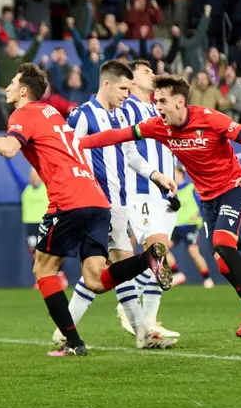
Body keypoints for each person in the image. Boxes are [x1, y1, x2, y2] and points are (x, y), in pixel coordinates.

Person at [0, 63, 172, 357]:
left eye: (11, 82)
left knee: (43, 268)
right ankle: (149, 258)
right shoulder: (53, 113)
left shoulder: (24, 113)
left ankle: (73, 343)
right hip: (98, 200)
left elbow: (9, 149)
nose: (7, 87)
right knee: (96, 280)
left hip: (68, 200)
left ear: (24, 91)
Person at [77, 74, 241, 352]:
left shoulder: (210, 118)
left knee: (222, 244)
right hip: (207, 200)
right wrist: (77, 144)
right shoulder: (159, 127)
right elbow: (117, 136)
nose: (157, 107)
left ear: (180, 102)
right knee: (224, 265)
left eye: (163, 101)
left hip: (233, 188)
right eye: (156, 101)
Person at [58, 60, 178, 350]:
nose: (127, 94)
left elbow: (131, 154)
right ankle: (142, 333)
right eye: (123, 88)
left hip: (121, 202)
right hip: (96, 202)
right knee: (114, 267)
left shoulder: (122, 117)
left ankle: (65, 332)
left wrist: (157, 175)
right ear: (107, 84)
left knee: (113, 269)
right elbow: (66, 154)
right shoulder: (83, 115)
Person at [113, 59, 181, 341]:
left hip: (166, 192)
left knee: (160, 257)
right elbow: (129, 151)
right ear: (131, 80)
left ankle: (150, 322)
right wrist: (155, 175)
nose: (152, 74)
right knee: (155, 252)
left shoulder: (159, 109)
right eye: (146, 71)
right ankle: (126, 307)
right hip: (141, 189)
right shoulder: (126, 107)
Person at [5, 157, 68, 290]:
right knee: (35, 254)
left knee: (51, 252)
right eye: (31, 175)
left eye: (36, 175)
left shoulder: (46, 187)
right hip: (30, 225)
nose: (33, 177)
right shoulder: (25, 188)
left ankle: (60, 275)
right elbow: (14, 173)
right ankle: (40, 279)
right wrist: (7, 160)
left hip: (46, 223)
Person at [167, 165, 214, 288]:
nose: (173, 176)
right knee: (161, 249)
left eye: (175, 173)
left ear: (182, 174)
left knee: (193, 252)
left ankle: (207, 279)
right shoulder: (171, 191)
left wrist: (200, 214)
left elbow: (204, 201)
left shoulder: (191, 188)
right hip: (175, 227)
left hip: (190, 226)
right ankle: (176, 273)